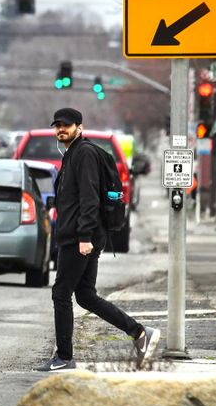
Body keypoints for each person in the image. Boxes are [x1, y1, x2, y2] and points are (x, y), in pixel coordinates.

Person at [36, 108, 160, 372]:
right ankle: (140, 333)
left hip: (81, 238)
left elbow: (89, 199)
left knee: (61, 293)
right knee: (85, 296)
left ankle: (65, 357)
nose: (61, 130)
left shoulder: (85, 154)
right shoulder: (71, 154)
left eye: (66, 126)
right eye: (57, 126)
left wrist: (84, 237)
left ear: (79, 127)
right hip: (79, 235)